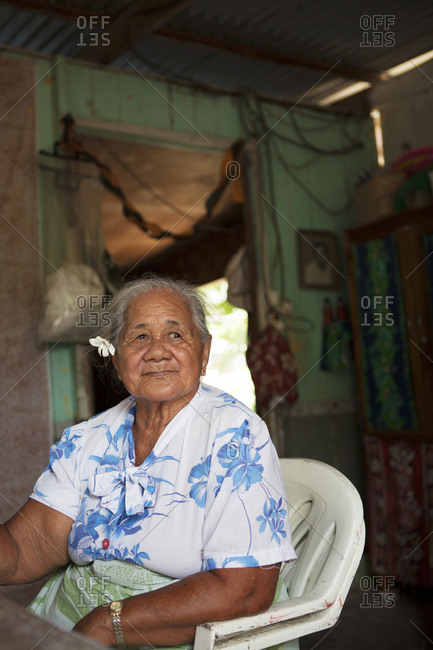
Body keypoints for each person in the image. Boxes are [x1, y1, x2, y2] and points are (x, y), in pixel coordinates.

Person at [0, 274, 296, 648]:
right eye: (139, 336)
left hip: (187, 631)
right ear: (118, 357)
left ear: (204, 354)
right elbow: (25, 548)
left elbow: (244, 591)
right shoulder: (88, 439)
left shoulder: (235, 434)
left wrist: (107, 625)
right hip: (75, 623)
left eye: (175, 335)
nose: (157, 350)